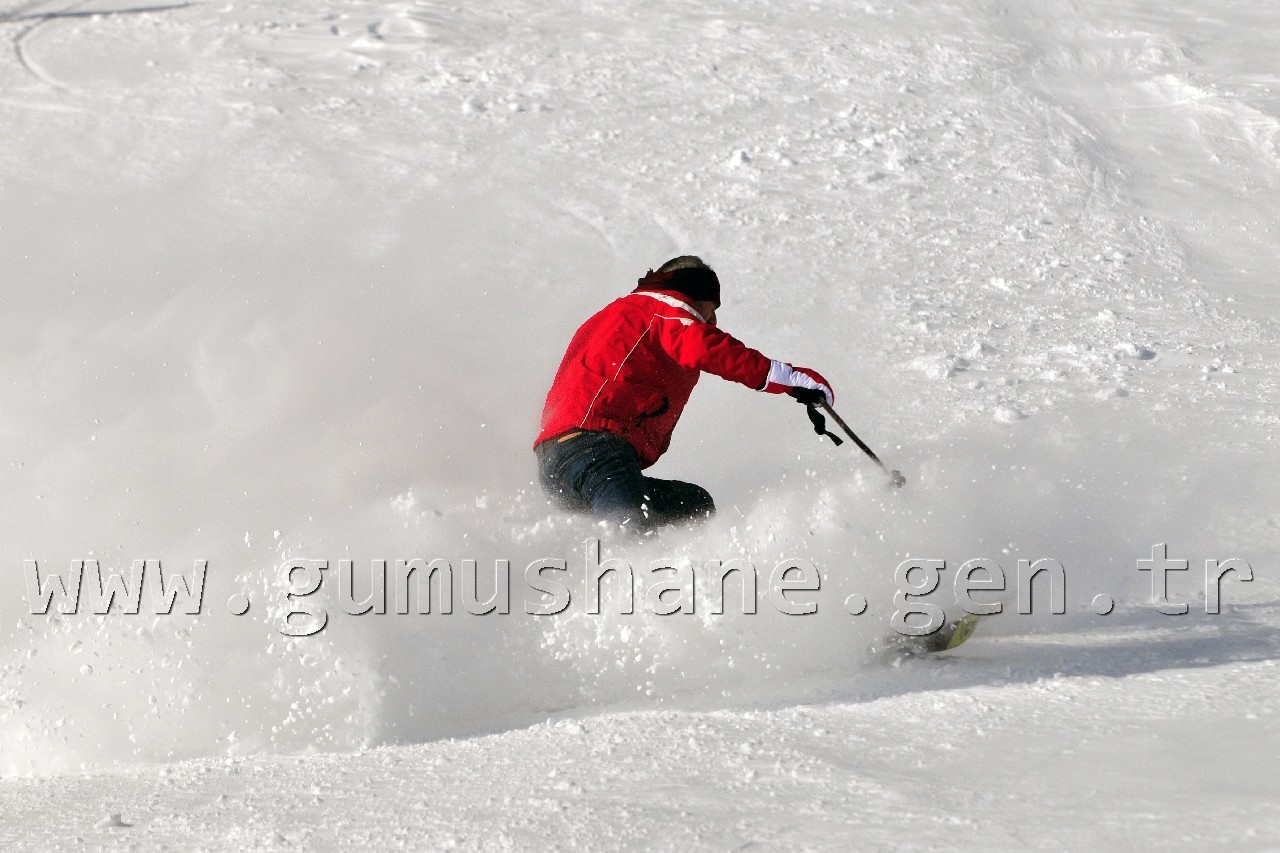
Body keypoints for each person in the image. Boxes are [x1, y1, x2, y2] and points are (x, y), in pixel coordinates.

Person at [534, 256, 834, 532]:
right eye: (712, 309)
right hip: (597, 451)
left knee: (693, 506)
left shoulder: (616, 316)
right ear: (695, 293)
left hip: (557, 462)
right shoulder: (664, 310)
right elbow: (705, 348)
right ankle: (629, 570)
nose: (712, 320)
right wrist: (791, 379)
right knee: (629, 536)